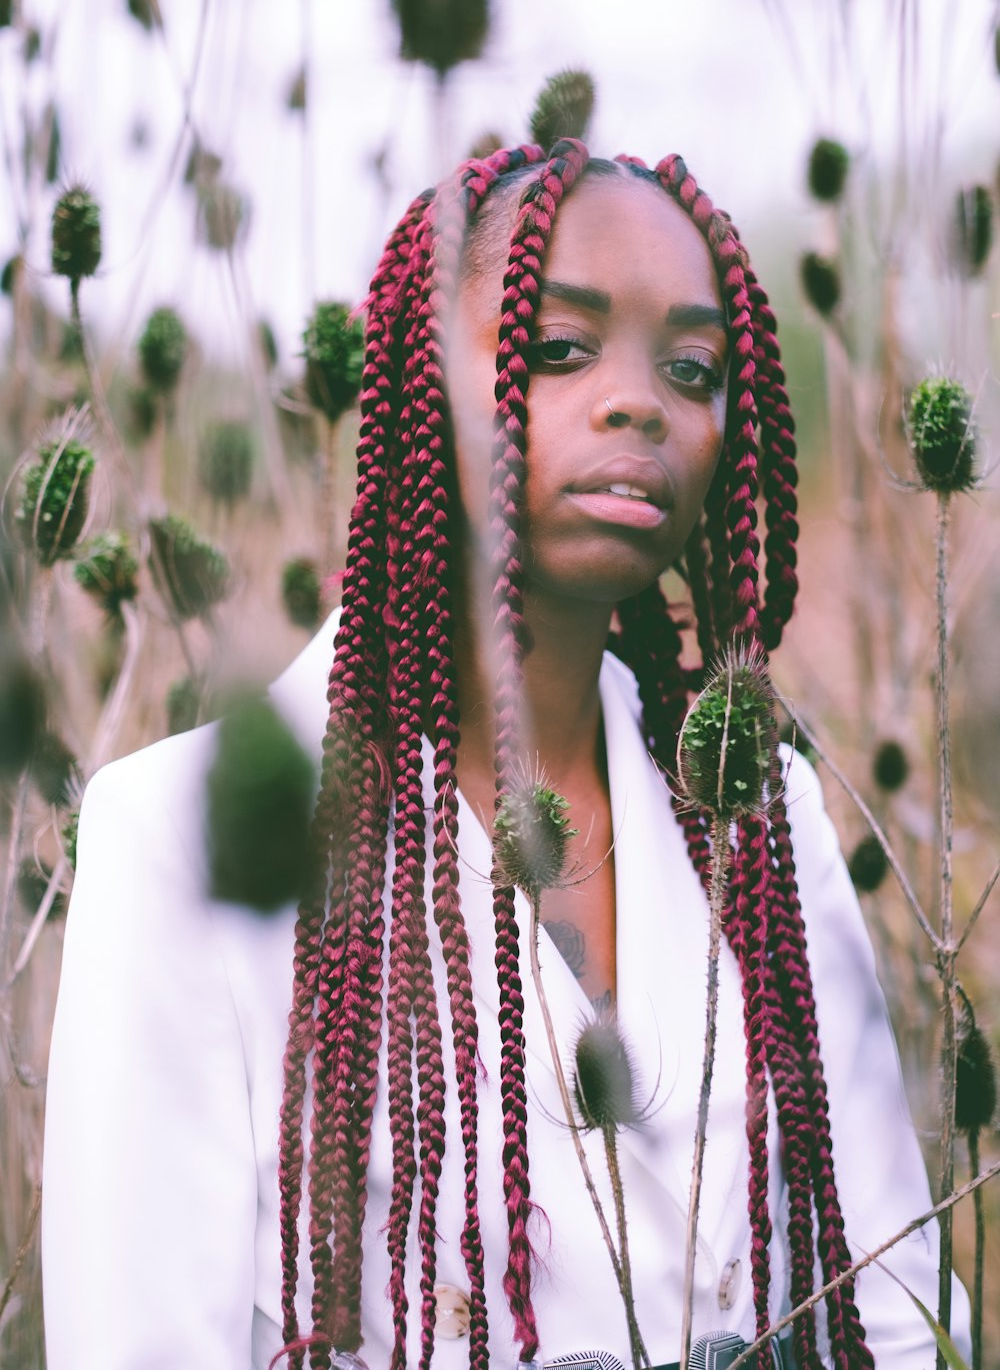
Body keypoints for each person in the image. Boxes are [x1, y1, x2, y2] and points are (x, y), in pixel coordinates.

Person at [42, 140, 971, 1370]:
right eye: (558, 348)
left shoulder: (765, 816)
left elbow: (898, 1310)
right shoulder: (173, 835)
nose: (640, 401)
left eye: (693, 368)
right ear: (420, 388)